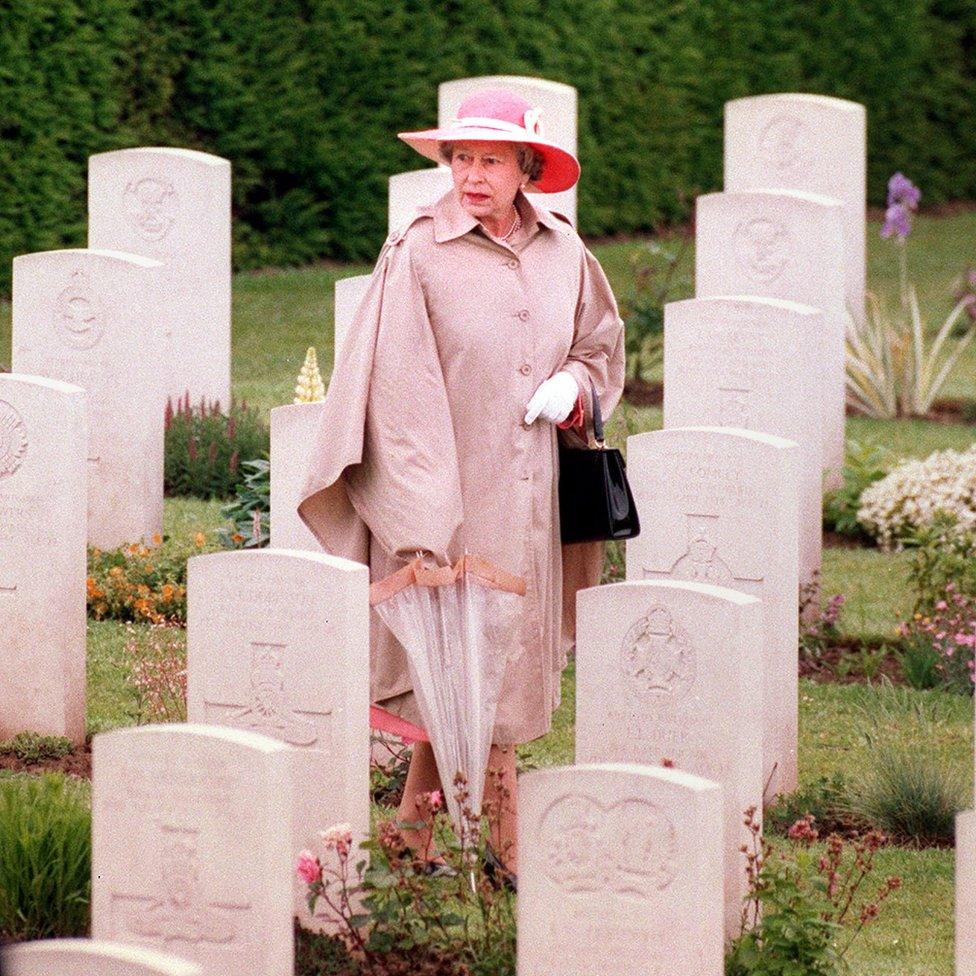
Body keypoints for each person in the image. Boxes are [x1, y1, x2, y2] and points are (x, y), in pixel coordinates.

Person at [298, 88, 624, 882]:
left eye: (491, 160)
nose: (472, 175)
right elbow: (395, 396)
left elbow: (600, 348)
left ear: (527, 169)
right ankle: (505, 858)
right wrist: (424, 526)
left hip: (534, 501)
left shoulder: (566, 253)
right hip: (448, 505)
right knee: (476, 669)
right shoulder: (416, 253)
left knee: (488, 670)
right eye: (461, 159)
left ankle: (412, 842)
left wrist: (575, 388)